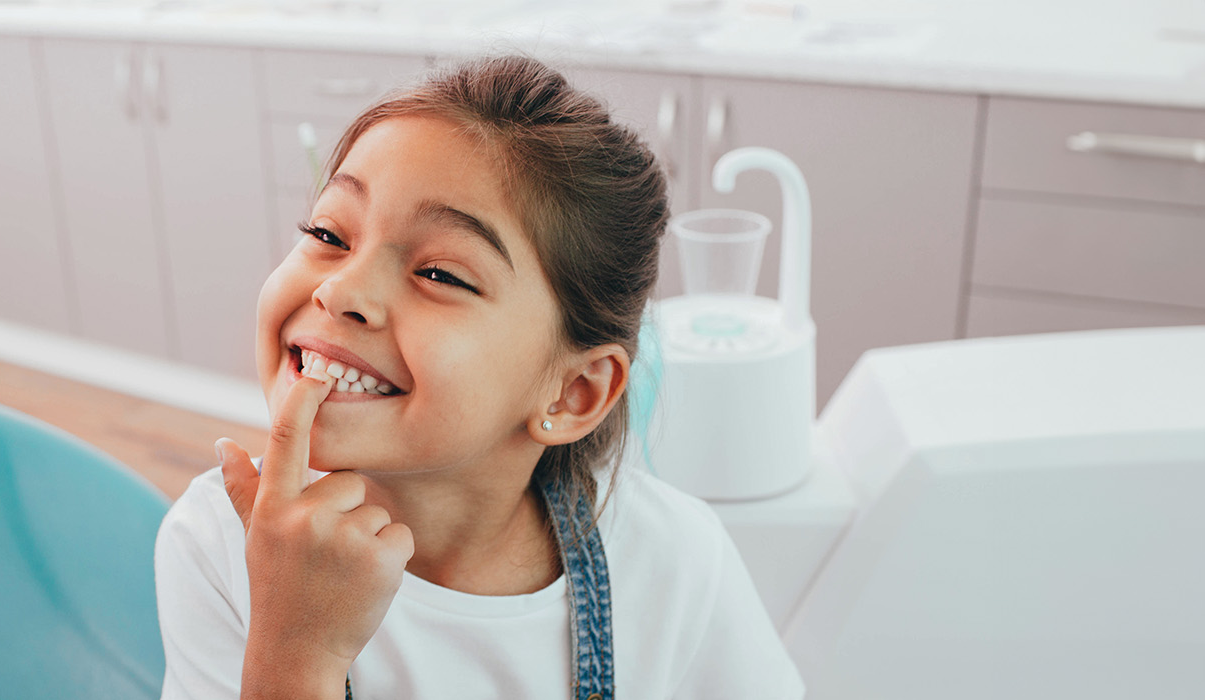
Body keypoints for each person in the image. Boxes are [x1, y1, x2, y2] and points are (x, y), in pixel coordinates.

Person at [152, 54, 804, 700]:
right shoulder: (217, 545)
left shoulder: (677, 563)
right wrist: (296, 650)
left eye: (440, 274)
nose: (340, 289)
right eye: (328, 232)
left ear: (573, 393)